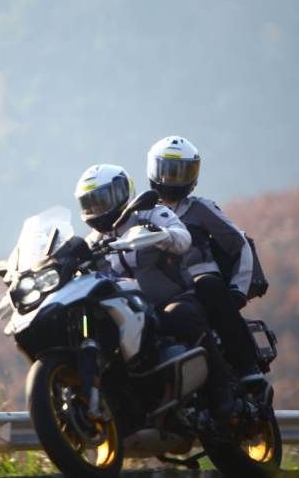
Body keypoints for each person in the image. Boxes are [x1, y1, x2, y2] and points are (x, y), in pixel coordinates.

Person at [75, 163, 237, 421]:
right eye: (89, 203)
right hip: (129, 309)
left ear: (121, 193)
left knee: (181, 316)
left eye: (102, 200)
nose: (97, 209)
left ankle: (222, 389)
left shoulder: (149, 213)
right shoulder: (92, 241)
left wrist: (158, 236)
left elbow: (183, 238)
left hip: (171, 298)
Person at [146, 135, 265, 386]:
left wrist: (238, 290)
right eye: (168, 171)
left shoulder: (201, 208)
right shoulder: (141, 213)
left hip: (199, 279)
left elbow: (239, 243)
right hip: (161, 288)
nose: (173, 179)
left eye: (181, 172)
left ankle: (247, 366)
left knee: (208, 286)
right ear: (153, 170)